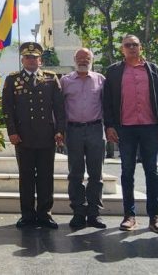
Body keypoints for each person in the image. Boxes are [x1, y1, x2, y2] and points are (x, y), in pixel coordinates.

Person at [102, 34, 158, 234]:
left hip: (150, 127)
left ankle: (154, 216)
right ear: (122, 49)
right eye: (128, 45)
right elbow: (107, 101)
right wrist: (109, 125)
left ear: (141, 47)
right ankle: (129, 216)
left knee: (152, 172)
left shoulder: (152, 69)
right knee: (127, 172)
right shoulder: (114, 71)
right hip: (125, 128)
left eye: (135, 44)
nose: (132, 48)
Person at [2, 42, 66, 229]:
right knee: (26, 177)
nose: (31, 60)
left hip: (46, 136)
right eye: (27, 57)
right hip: (23, 137)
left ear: (40, 60)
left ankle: (45, 214)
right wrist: (12, 131)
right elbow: (7, 108)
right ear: (22, 60)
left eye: (34, 57)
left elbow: (59, 108)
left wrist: (60, 131)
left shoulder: (51, 78)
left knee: (46, 176)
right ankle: (27, 215)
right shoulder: (12, 79)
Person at [59, 48, 105, 229]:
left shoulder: (101, 80)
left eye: (87, 58)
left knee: (96, 174)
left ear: (92, 60)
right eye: (79, 57)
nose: (83, 60)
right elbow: (59, 107)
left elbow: (106, 105)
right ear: (74, 60)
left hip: (95, 129)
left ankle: (94, 213)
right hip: (74, 131)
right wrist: (60, 131)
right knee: (75, 174)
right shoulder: (65, 81)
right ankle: (78, 212)